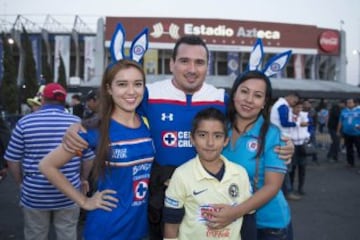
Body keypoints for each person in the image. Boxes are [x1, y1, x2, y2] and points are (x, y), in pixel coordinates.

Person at [62, 35, 294, 240]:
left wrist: (284, 142)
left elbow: (249, 124)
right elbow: (117, 109)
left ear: (207, 67)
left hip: (207, 202)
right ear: (172, 64)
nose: (192, 69)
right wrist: (81, 125)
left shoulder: (222, 99)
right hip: (160, 198)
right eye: (184, 61)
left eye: (199, 62)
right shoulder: (149, 94)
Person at [40, 59, 156, 240]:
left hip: (140, 230)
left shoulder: (147, 123)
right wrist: (84, 201)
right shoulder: (95, 129)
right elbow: (47, 166)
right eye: (122, 84)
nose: (131, 91)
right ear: (109, 89)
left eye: (138, 84)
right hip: (106, 230)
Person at [204, 70, 293, 240]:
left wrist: (234, 212)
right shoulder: (220, 128)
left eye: (257, 95)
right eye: (244, 91)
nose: (249, 100)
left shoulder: (274, 135)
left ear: (264, 102)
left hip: (268, 226)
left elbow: (272, 187)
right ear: (234, 94)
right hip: (231, 223)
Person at [4, 83, 95, 240]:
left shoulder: (25, 123)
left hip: (35, 194)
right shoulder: (77, 123)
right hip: (69, 193)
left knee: (35, 235)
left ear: (43, 99)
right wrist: (83, 178)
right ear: (63, 101)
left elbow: (12, 159)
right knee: (67, 234)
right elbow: (88, 158)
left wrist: (21, 183)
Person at [163, 107, 252, 240]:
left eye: (217, 136)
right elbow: (171, 223)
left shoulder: (240, 173)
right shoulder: (181, 174)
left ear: (226, 140)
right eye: (202, 135)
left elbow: (248, 217)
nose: (210, 143)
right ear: (192, 139)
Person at [270, 92, 302, 201]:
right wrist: (296, 124)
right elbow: (284, 123)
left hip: (278, 137)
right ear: (290, 97)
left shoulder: (280, 105)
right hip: (281, 138)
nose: (294, 104)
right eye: (294, 101)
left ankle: (283, 190)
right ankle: (286, 191)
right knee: (284, 167)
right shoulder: (282, 106)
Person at [288, 100, 310, 195]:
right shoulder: (288, 116)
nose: (299, 109)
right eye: (297, 107)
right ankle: (291, 187)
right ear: (292, 107)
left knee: (302, 167)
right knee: (292, 168)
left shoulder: (304, 116)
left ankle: (301, 187)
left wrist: (307, 138)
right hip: (292, 144)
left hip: (302, 144)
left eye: (301, 107)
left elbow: (307, 127)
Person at [336, 98, 360, 167]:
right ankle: (350, 163)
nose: (348, 104)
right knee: (349, 149)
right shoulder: (343, 111)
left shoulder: (359, 110)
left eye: (350, 102)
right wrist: (338, 131)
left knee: (359, 149)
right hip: (347, 133)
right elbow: (340, 121)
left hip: (357, 134)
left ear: (354, 103)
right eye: (347, 102)